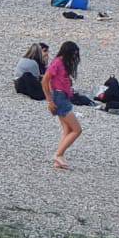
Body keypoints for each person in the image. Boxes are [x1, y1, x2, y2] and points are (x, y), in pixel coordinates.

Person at [43, 41, 82, 171]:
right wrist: (49, 100)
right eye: (73, 54)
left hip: (62, 97)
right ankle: (58, 154)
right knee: (77, 130)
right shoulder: (58, 63)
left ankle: (59, 158)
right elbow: (45, 80)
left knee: (67, 129)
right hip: (60, 98)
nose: (74, 57)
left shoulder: (61, 62)